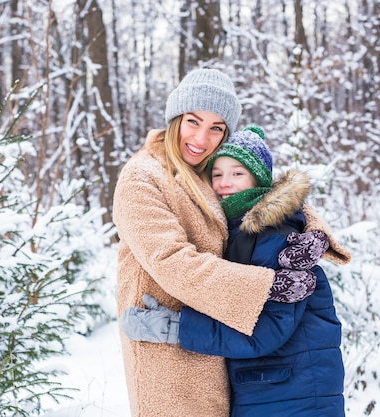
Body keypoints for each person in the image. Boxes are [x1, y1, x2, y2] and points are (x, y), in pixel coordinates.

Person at [112, 68, 351, 417]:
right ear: (175, 118)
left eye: (216, 128)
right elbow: (172, 261)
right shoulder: (143, 177)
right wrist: (269, 285)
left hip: (220, 350)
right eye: (193, 121)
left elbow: (266, 196)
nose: (201, 137)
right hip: (168, 355)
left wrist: (312, 232)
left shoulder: (207, 171)